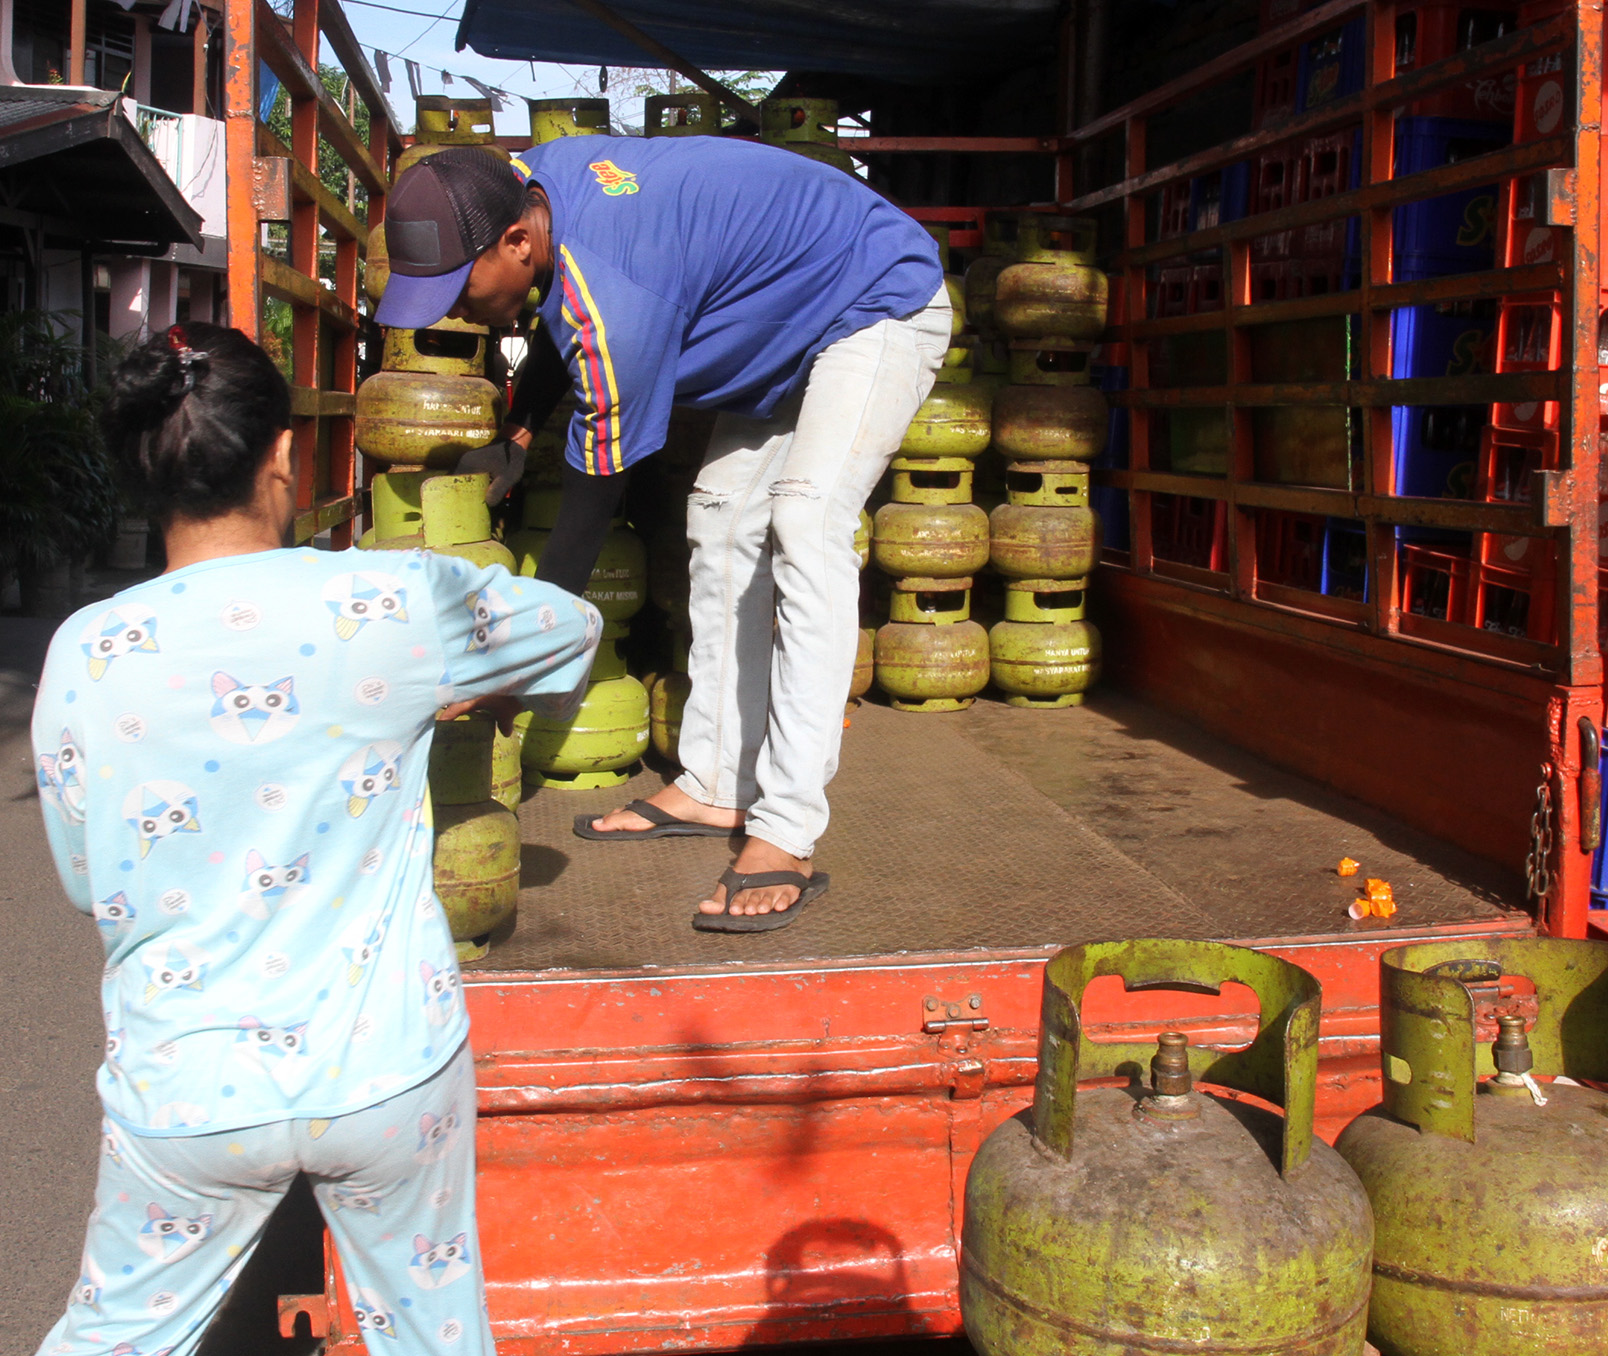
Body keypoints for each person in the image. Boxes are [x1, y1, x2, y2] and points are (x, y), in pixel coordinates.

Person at [30, 324, 600, 1356]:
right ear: (285, 456)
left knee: (115, 1336)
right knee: (430, 1333)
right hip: (386, 1071)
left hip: (188, 1093)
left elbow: (86, 879)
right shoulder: (387, 602)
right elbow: (569, 629)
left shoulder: (84, 653)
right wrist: (448, 679)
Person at [374, 138, 949, 932]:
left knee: (805, 523)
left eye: (456, 284)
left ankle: (786, 829)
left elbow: (587, 509)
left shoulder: (617, 299)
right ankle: (716, 784)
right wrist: (515, 430)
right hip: (794, 331)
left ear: (515, 241)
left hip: (877, 300)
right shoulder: (528, 185)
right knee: (716, 517)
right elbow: (554, 317)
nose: (449, 307)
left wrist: (517, 662)